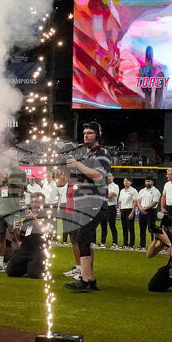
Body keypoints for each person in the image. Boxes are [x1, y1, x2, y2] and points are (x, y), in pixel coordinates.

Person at [63, 121, 111, 292]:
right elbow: (80, 179)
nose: (86, 136)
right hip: (83, 202)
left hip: (94, 203)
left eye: (90, 133)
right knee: (84, 239)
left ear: (97, 135)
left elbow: (98, 176)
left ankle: (85, 279)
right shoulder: (86, 155)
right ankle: (89, 278)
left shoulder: (102, 154)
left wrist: (77, 164)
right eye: (84, 133)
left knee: (83, 238)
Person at [0, 165, 26, 272]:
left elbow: (22, 188)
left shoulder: (20, 173)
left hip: (13, 211)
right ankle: (0, 263)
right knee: (0, 237)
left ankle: (15, 262)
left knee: (15, 237)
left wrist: (9, 180)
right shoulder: (0, 170)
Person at [6, 194, 47, 279]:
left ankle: (38, 267)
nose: (34, 204)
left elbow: (45, 230)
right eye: (32, 202)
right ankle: (28, 265)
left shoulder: (47, 216)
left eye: (37, 202)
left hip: (39, 250)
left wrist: (34, 218)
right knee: (11, 272)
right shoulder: (26, 218)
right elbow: (21, 238)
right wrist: (15, 230)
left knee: (34, 275)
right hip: (25, 249)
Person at [136, 177, 161, 250]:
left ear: (152, 182)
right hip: (142, 210)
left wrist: (145, 208)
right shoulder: (142, 191)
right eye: (146, 181)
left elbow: (155, 202)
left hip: (151, 211)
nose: (147, 183)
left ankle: (153, 245)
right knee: (142, 229)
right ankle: (142, 245)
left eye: (149, 181)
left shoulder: (155, 191)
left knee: (152, 229)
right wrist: (140, 208)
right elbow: (138, 200)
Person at [98, 173, 119, 249]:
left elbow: (110, 195)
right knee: (103, 226)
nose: (108, 178)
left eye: (110, 176)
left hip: (111, 207)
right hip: (103, 207)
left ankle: (115, 243)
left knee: (112, 225)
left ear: (113, 177)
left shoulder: (115, 186)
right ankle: (103, 242)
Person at [118, 177, 138, 249]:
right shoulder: (122, 191)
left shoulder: (133, 190)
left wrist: (132, 212)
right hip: (123, 210)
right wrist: (119, 211)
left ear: (131, 182)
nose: (126, 182)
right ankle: (125, 244)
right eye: (125, 181)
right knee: (124, 228)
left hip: (130, 210)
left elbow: (135, 202)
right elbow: (120, 202)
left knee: (131, 228)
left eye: (127, 181)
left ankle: (131, 245)